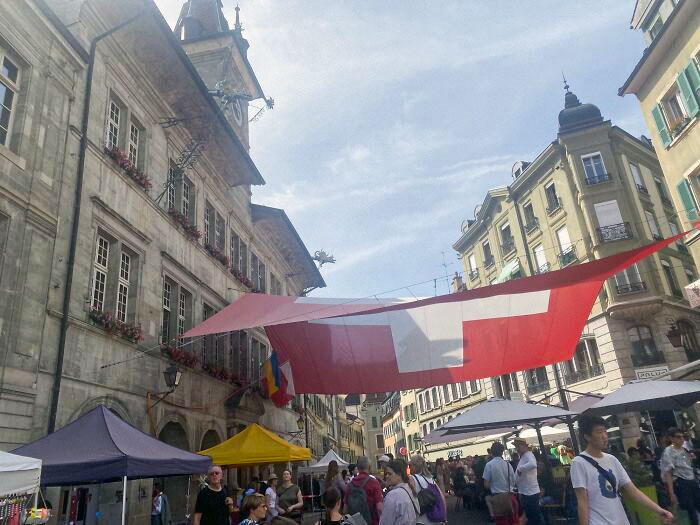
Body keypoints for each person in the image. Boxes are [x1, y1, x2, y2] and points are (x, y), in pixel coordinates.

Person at [572, 415, 673, 525]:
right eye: (599, 432)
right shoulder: (579, 463)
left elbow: (633, 491)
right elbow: (582, 501)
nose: (604, 436)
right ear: (587, 437)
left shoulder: (612, 460)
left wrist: (659, 510)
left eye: (605, 432)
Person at [662, 426, 700, 525]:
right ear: (671, 438)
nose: (681, 439)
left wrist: (692, 459)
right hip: (680, 482)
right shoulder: (668, 452)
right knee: (690, 509)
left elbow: (689, 465)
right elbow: (668, 473)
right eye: (678, 437)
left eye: (682, 437)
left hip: (692, 480)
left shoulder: (685, 448)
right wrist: (671, 492)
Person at [483, 442, 518, 525]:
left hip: (499, 499)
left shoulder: (489, 465)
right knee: (515, 522)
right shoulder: (508, 464)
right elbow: (514, 481)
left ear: (491, 452)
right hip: (511, 498)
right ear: (502, 452)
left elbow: (486, 485)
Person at [344, 455, 383, 525]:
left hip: (355, 522)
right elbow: (379, 508)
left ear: (357, 468)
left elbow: (345, 509)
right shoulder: (374, 482)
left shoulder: (350, 485)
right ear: (369, 467)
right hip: (372, 522)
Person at [513, 437, 544, 525]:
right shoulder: (525, 456)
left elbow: (533, 464)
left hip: (530, 492)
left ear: (524, 446)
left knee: (533, 517)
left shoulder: (528, 454)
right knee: (531, 517)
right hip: (527, 492)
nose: (517, 449)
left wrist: (520, 469)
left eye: (518, 446)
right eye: (516, 447)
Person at [408, 454, 446, 524]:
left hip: (421, 520)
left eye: (410, 465)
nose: (409, 468)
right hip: (434, 517)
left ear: (415, 466)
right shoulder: (430, 479)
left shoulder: (412, 478)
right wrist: (444, 515)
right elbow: (442, 497)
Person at [380, 459, 419, 525]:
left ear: (399, 474)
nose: (386, 476)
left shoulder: (393, 495)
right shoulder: (410, 488)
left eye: (390, 474)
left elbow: (385, 522)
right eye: (386, 474)